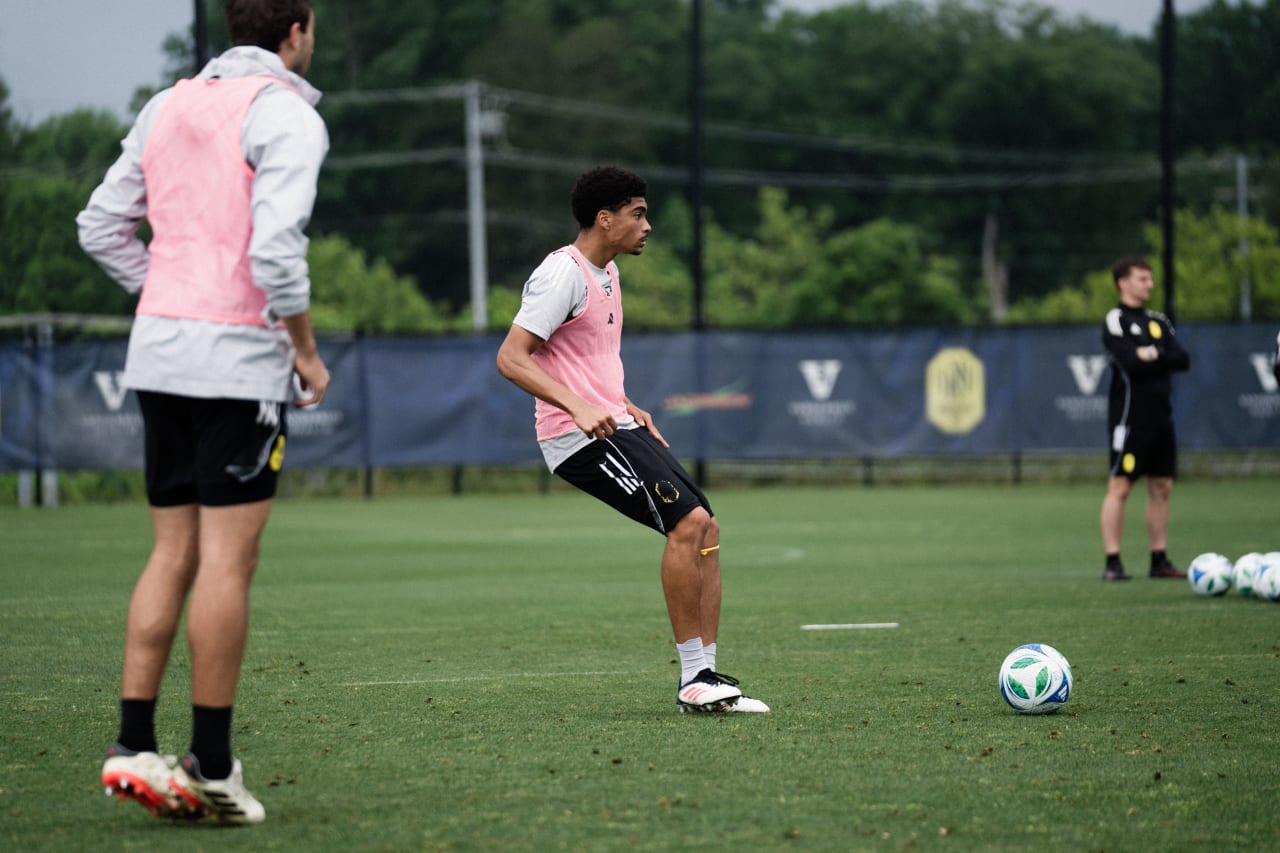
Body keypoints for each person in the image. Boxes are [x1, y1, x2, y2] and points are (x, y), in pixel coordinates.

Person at [76, 0, 329, 824]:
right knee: (226, 562)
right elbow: (275, 251)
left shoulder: (166, 102)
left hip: (158, 354)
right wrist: (303, 348)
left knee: (171, 551)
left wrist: (164, 297)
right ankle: (212, 764)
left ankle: (131, 744)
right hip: (236, 364)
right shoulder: (286, 112)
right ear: (295, 33)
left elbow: (99, 226)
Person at [496, 166, 767, 714]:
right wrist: (577, 406)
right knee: (687, 523)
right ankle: (693, 680)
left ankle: (707, 677)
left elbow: (588, 362)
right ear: (605, 218)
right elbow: (510, 357)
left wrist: (625, 404)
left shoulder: (609, 273)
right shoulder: (562, 274)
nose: (647, 225)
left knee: (708, 526)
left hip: (615, 423)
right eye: (637, 214)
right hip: (576, 437)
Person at [1099, 257, 1190, 581]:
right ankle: (1113, 562)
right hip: (1129, 418)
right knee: (1120, 487)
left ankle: (1159, 560)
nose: (1149, 284)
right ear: (1123, 282)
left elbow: (1182, 359)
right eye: (1142, 279)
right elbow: (1128, 363)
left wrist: (1151, 353)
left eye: (1150, 279)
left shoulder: (1159, 321)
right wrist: (1156, 356)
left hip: (1161, 417)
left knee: (1162, 486)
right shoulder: (1116, 319)